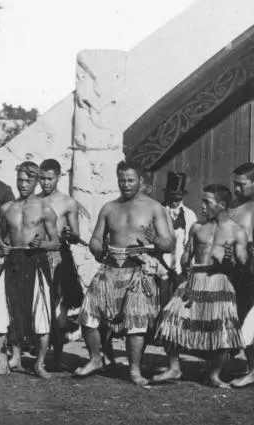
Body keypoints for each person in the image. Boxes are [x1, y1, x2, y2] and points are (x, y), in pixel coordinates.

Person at [75, 160, 175, 386]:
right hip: (110, 267)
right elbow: (96, 237)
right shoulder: (109, 207)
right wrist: (96, 246)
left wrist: (156, 240)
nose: (126, 185)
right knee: (88, 315)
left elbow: (169, 243)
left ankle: (134, 369)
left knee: (136, 321)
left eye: (131, 180)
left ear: (140, 180)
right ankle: (95, 359)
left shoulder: (154, 208)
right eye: (122, 180)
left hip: (139, 268)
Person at [154, 184, 247, 387]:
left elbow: (242, 262)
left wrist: (230, 261)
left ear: (222, 205)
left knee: (222, 330)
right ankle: (174, 368)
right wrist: (186, 270)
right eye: (202, 201)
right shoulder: (197, 227)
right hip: (194, 280)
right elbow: (186, 258)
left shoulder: (236, 231)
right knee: (171, 321)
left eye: (207, 202)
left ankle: (214, 375)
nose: (202, 206)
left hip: (219, 283)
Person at [0, 162, 59, 378]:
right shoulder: (7, 208)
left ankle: (39, 364)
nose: (23, 184)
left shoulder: (45, 209)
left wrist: (42, 245)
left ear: (36, 182)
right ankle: (3, 363)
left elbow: (55, 242)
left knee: (41, 317)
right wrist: (2, 248)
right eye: (20, 180)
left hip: (35, 261)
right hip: (12, 262)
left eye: (28, 180)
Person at [37, 158, 84, 369]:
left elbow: (76, 235)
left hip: (59, 257)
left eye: (49, 179)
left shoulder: (67, 202)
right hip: (36, 255)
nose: (45, 183)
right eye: (42, 178)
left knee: (59, 310)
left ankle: (57, 356)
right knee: (37, 305)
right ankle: (38, 355)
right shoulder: (33, 200)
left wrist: (69, 234)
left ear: (58, 177)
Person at [227, 162, 254, 387]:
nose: (236, 189)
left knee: (249, 322)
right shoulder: (234, 205)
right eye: (234, 184)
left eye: (241, 185)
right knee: (237, 317)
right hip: (236, 271)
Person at [160, 172, 197, 302]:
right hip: (161, 267)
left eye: (178, 199)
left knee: (178, 304)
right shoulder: (157, 211)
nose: (174, 202)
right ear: (165, 194)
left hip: (180, 269)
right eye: (171, 198)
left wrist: (188, 269)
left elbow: (191, 244)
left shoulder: (189, 215)